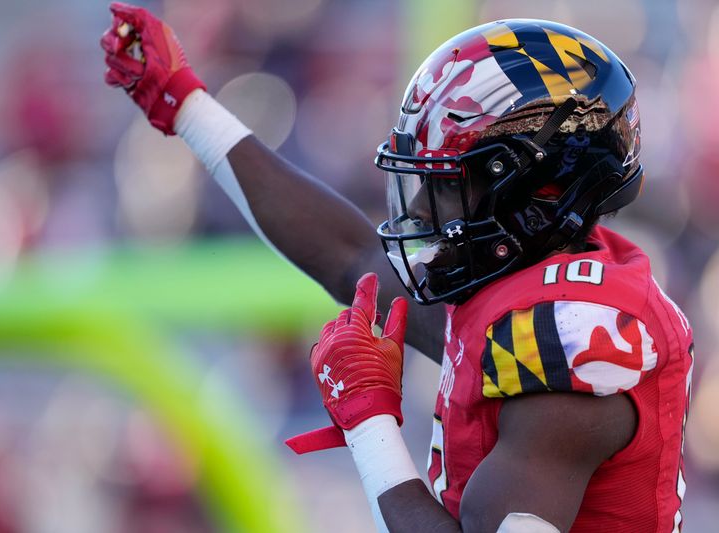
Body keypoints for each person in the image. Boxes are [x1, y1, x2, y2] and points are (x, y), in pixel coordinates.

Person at [101, 4, 694, 532]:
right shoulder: (518, 280)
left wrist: (369, 425)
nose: (417, 208)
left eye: (448, 186)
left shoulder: (573, 339)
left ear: (529, 192)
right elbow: (348, 257)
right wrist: (186, 106)